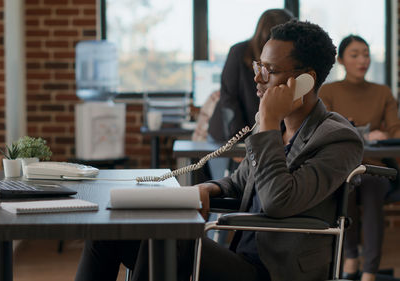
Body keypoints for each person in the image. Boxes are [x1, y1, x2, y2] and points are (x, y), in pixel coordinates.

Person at [75, 20, 364, 281]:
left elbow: (278, 200)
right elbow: (239, 182)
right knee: (109, 232)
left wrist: (268, 123)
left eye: (270, 71)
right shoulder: (275, 127)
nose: (258, 78)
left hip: (276, 270)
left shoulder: (337, 138)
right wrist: (210, 188)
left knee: (168, 237)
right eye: (258, 67)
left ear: (306, 80)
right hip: (242, 259)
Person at [319, 35, 400, 281]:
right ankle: (351, 257)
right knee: (347, 186)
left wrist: (383, 133)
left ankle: (370, 271)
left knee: (372, 186)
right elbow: (322, 128)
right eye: (355, 55)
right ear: (341, 60)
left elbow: (396, 131)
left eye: (365, 54)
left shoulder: (382, 92)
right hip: (342, 167)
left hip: (376, 167)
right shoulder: (328, 91)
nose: (362, 60)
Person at [206, 8, 294, 179]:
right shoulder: (239, 52)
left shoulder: (288, 60)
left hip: (263, 131)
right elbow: (229, 98)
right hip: (228, 132)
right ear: (263, 36)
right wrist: (239, 143)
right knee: (226, 185)